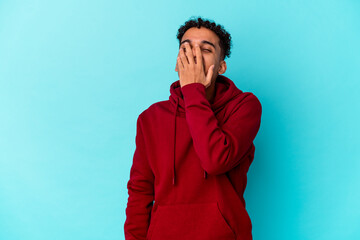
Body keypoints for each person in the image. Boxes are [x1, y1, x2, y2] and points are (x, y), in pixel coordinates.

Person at [124, 16, 262, 240]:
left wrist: (193, 91)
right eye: (186, 48)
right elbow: (140, 192)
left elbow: (215, 160)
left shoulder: (244, 106)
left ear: (221, 66)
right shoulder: (150, 118)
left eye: (206, 50)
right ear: (177, 62)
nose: (194, 56)